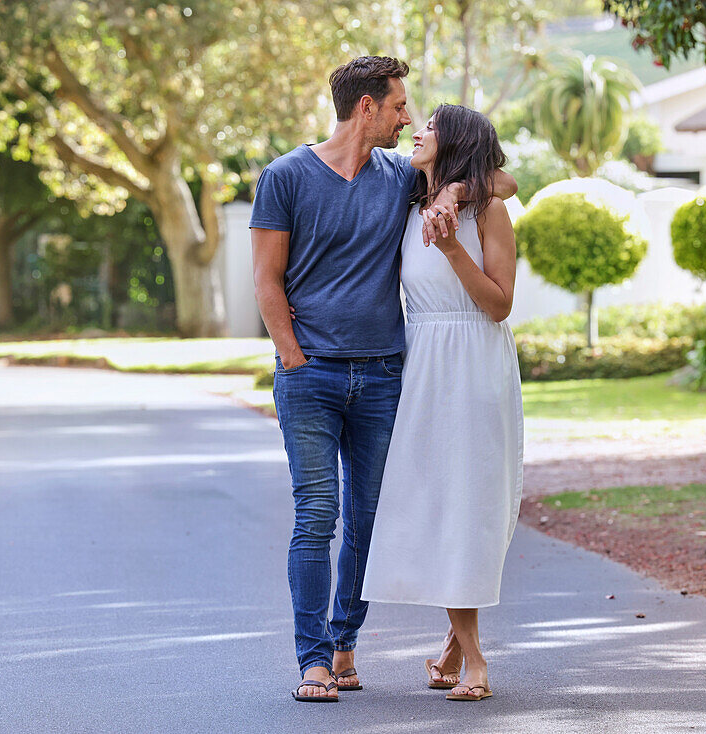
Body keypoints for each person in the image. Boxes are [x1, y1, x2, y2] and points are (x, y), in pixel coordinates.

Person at [250, 58, 517, 703]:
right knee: (316, 514)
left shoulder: (401, 176)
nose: (407, 117)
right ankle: (313, 659)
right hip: (309, 373)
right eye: (399, 106)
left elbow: (497, 177)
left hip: (383, 376)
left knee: (368, 516)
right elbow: (265, 277)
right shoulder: (285, 176)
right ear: (366, 107)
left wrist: (453, 193)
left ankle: (345, 644)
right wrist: (290, 355)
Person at [360, 104, 523, 703]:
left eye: (429, 125)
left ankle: (474, 657)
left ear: (453, 142)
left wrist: (454, 246)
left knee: (470, 505)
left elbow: (500, 305)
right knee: (434, 505)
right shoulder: (407, 200)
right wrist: (447, 191)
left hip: (475, 363)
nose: (417, 131)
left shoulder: (490, 211)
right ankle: (457, 647)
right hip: (422, 362)